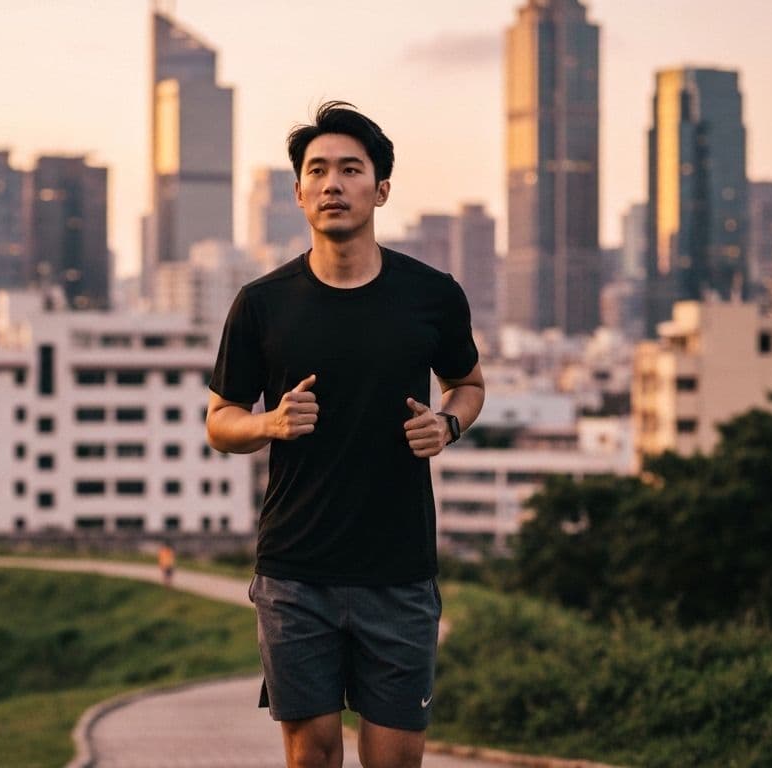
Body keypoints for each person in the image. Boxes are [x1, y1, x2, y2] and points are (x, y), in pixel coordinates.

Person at [205, 101, 485, 768]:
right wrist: (268, 423)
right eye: (317, 170)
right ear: (299, 192)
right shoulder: (262, 303)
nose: (332, 183)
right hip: (297, 571)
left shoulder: (432, 295)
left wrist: (446, 424)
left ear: (380, 189)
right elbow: (220, 419)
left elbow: (468, 385)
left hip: (399, 570)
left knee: (394, 760)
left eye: (350, 170)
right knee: (313, 754)